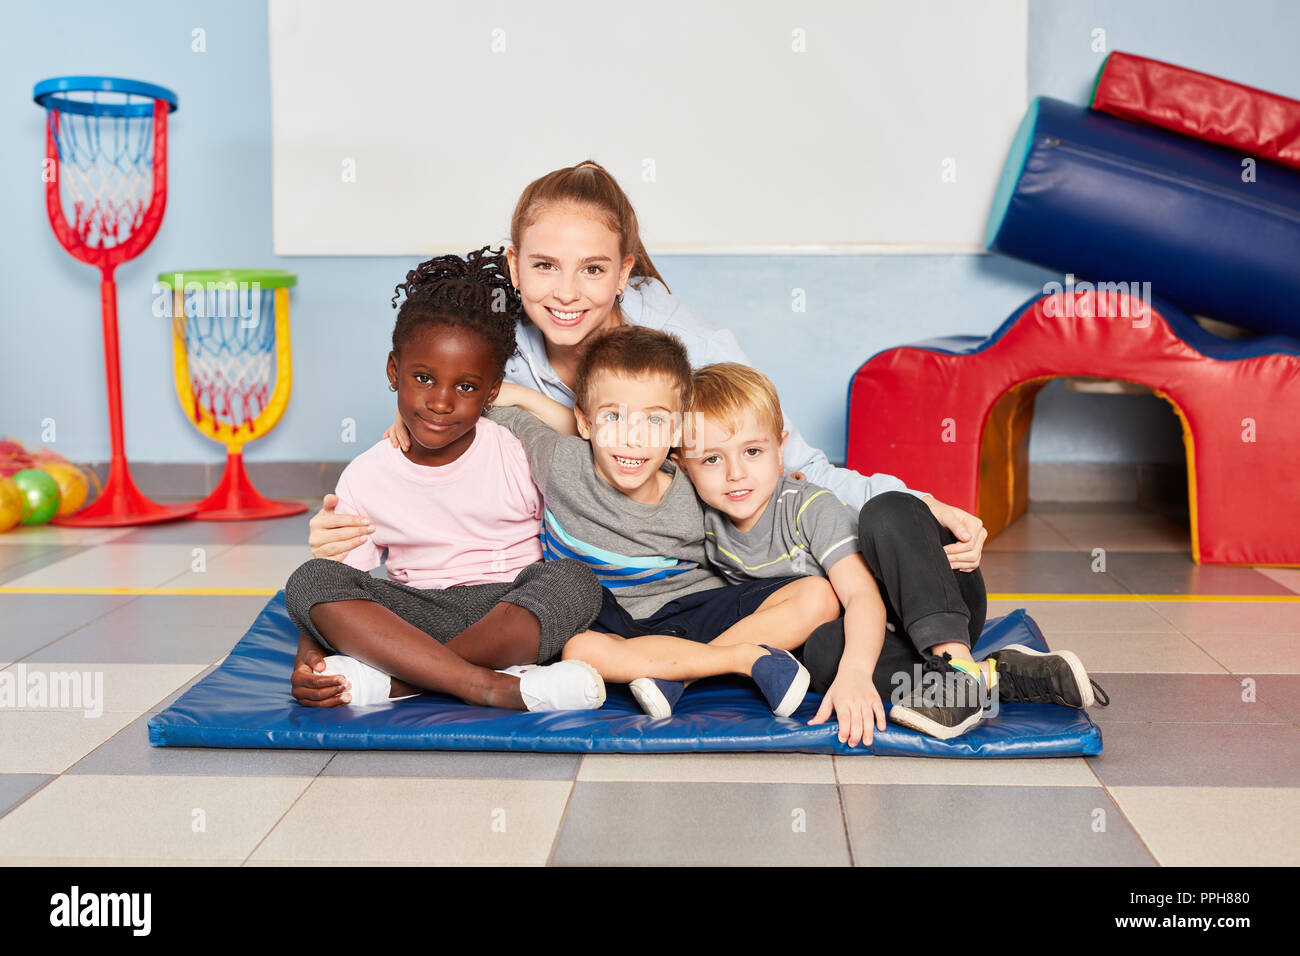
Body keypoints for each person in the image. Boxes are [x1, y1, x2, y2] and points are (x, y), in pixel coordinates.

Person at [308, 159, 990, 587]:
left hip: (687, 560)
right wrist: (352, 522)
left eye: (593, 269)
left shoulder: (687, 348)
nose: (567, 292)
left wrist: (910, 504)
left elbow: (792, 465)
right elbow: (423, 440)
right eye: (545, 267)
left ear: (625, 269)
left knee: (829, 579)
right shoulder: (500, 346)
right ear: (515, 267)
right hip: (568, 565)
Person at [678, 363, 1109, 741]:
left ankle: (957, 666)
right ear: (682, 465)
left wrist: (857, 673)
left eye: (753, 452)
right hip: (887, 639)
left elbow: (861, 596)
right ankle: (992, 678)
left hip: (938, 597)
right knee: (823, 652)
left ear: (780, 446)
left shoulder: (809, 505)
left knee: (886, 511)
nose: (736, 473)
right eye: (712, 460)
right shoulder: (705, 523)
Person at [285, 248, 606, 712]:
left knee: (575, 582)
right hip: (413, 615)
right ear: (394, 372)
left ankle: (405, 682)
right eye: (423, 378)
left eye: (466, 387)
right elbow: (340, 581)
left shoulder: (516, 450)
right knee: (311, 580)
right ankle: (486, 683)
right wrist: (311, 663)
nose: (440, 402)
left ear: (492, 391)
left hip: (506, 610)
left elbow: (584, 454)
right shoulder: (367, 475)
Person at [485, 326, 831, 719]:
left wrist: (790, 490)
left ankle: (679, 675)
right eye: (613, 416)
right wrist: (411, 424)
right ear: (584, 424)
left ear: (679, 430)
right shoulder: (559, 461)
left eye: (654, 421)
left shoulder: (695, 487)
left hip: (696, 611)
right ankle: (740, 659)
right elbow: (495, 409)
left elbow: (752, 490)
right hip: (614, 621)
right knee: (579, 651)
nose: (632, 439)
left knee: (817, 595)